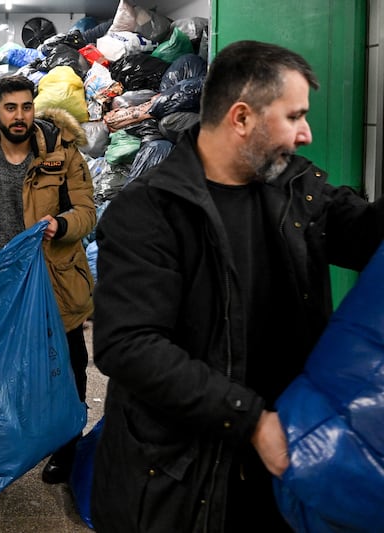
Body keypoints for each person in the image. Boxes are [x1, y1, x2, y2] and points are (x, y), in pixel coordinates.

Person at [92, 40, 384, 532]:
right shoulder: (149, 213)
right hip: (189, 475)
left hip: (286, 455)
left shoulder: (293, 189)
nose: (306, 134)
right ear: (242, 118)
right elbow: (129, 346)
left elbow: (363, 234)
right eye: (294, 117)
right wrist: (250, 420)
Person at [0, 75, 96, 494]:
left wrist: (62, 223)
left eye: (26, 107)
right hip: (2, 284)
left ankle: (67, 446)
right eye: (10, 108)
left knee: (66, 366)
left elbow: (88, 210)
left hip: (54, 279)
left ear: (34, 108)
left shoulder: (62, 153)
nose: (20, 116)